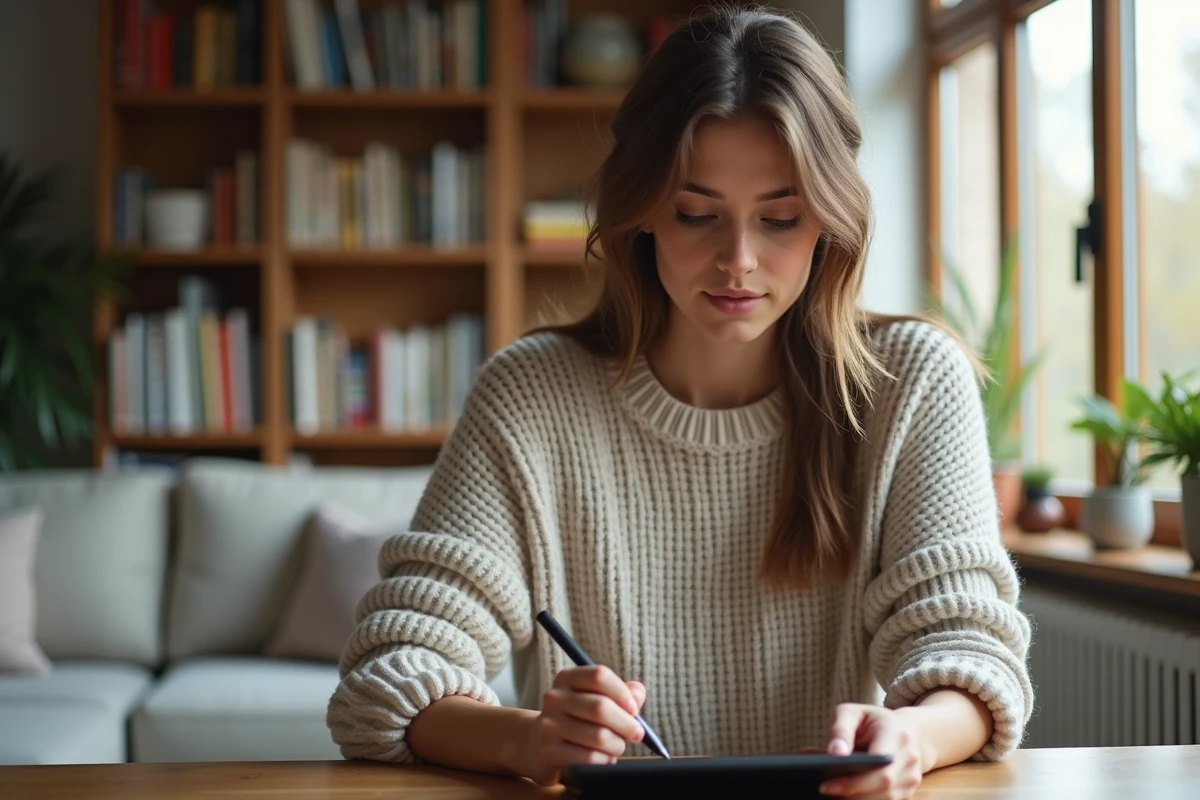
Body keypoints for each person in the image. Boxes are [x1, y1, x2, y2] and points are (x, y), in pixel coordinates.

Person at [327, 6, 1033, 799]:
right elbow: (385, 677)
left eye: (781, 218)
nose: (738, 260)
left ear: (832, 221)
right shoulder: (530, 397)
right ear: (642, 215)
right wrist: (530, 738)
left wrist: (914, 736)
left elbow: (972, 655)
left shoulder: (909, 385)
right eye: (696, 214)